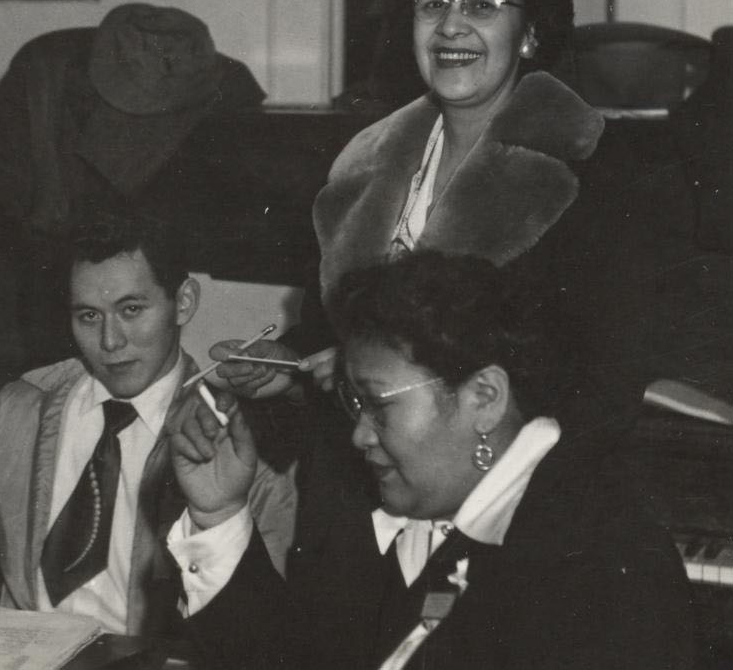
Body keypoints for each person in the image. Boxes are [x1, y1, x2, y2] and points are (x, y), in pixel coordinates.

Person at [217, 0, 650, 444]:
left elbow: (602, 389)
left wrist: (373, 375)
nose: (450, 26)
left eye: (482, 5)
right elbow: (330, 339)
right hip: (359, 471)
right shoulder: (363, 163)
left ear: (529, 34)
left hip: (505, 478)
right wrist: (289, 366)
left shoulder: (595, 172)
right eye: (433, 4)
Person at [168, 251, 695, 669]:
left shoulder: (600, 564)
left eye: (379, 405)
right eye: (354, 403)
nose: (359, 435)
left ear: (485, 398)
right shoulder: (402, 514)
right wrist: (219, 513)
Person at [0, 210, 295, 636]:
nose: (110, 342)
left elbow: (256, 626)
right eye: (89, 316)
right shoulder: (21, 408)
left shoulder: (232, 442)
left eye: (131, 309)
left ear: (183, 302)